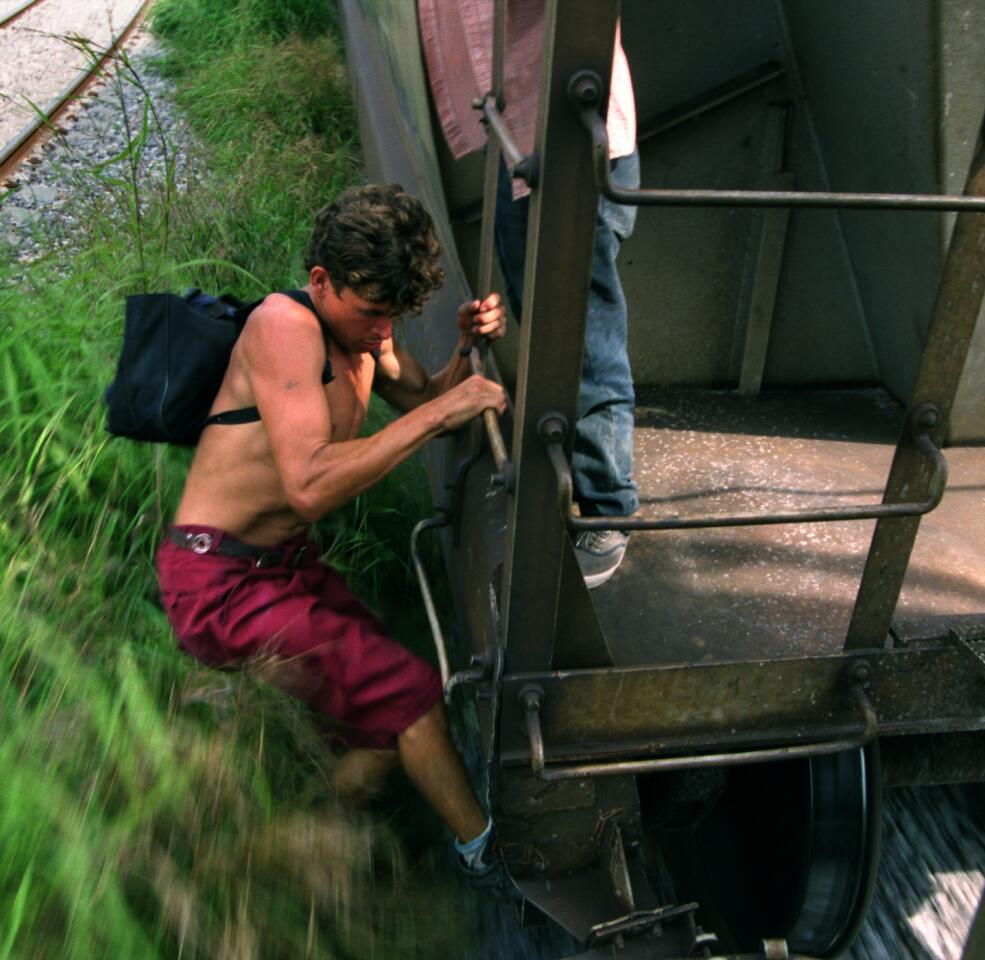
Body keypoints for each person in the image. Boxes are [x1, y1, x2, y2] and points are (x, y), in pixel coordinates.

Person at [156, 183, 509, 889]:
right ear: (321, 281)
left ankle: (279, 857)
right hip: (218, 581)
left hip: (278, 567)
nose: (384, 332)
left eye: (396, 316)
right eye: (375, 313)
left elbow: (427, 399)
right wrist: (443, 416)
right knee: (409, 693)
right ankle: (493, 863)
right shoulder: (284, 327)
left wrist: (467, 351)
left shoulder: (362, 333)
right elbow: (310, 482)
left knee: (379, 733)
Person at [419, 1, 640, 587]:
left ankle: (607, 506)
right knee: (541, 313)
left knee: (583, 330)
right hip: (518, 131)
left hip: (568, 135)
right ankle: (569, 481)